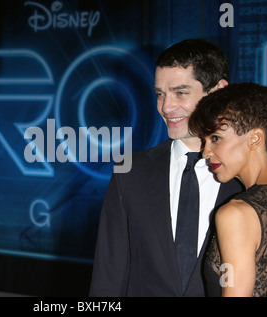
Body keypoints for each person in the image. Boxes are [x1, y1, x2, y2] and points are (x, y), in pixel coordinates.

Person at [88, 38, 244, 297]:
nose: (165, 107)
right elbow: (108, 277)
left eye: (180, 92)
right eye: (160, 93)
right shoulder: (129, 171)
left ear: (218, 92)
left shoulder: (249, 179)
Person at [188, 82, 267, 297]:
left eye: (215, 138)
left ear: (255, 138)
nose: (205, 153)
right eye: (204, 141)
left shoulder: (236, 214)